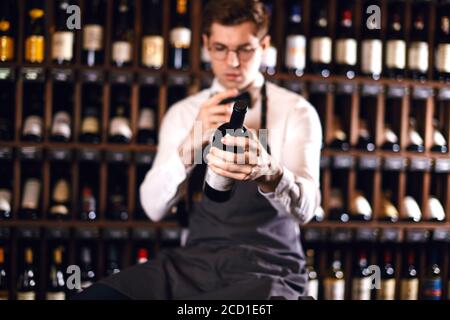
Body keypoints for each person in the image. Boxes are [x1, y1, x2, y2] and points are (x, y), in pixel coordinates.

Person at [74, 0, 322, 300]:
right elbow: (153, 208)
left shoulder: (296, 111)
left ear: (265, 45)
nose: (232, 62)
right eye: (220, 48)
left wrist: (270, 171)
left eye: (245, 49)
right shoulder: (184, 112)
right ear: (205, 44)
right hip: (194, 264)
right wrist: (190, 146)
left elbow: (306, 210)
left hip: (270, 265)